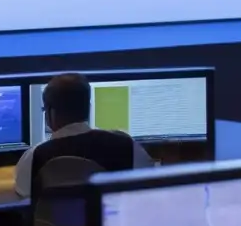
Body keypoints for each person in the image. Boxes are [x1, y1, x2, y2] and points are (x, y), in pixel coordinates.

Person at [14, 73, 154, 198]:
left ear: (51, 113)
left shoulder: (33, 157)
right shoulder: (126, 145)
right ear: (89, 107)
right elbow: (151, 183)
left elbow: (26, 198)